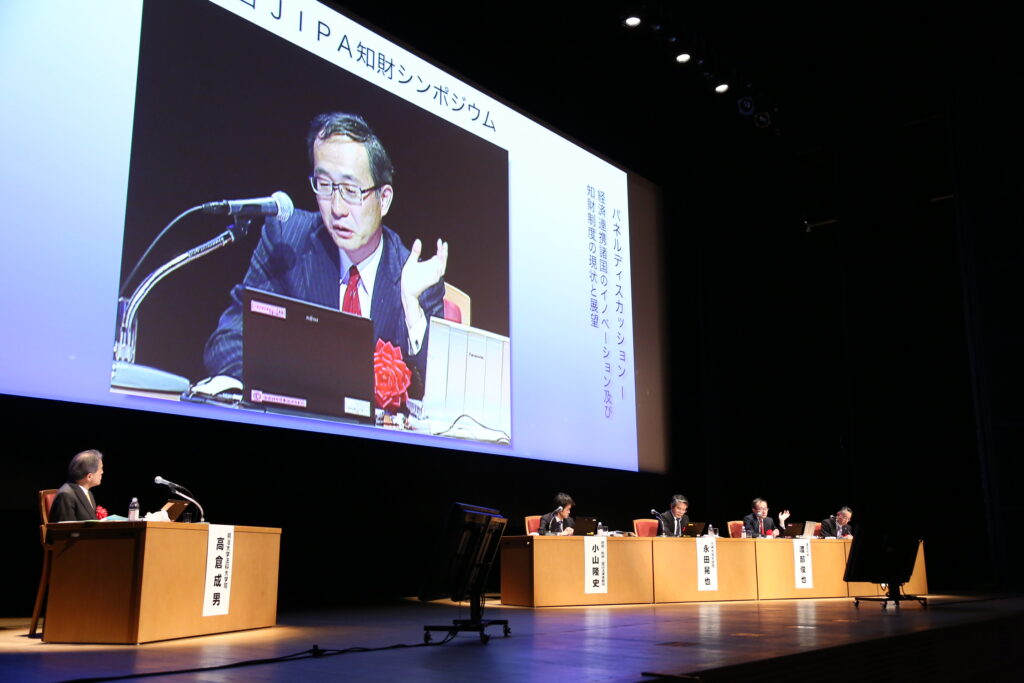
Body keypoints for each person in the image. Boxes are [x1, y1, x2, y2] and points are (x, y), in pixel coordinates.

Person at [203, 112, 447, 394]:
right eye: (325, 186)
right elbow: (227, 341)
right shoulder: (287, 242)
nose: (337, 208)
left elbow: (438, 392)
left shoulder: (414, 277)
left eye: (351, 190)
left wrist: (412, 309)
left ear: (384, 199)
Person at [49, 450, 104, 523]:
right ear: (89, 476)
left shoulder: (88, 493)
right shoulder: (66, 495)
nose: (102, 472)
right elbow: (66, 528)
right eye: (101, 468)